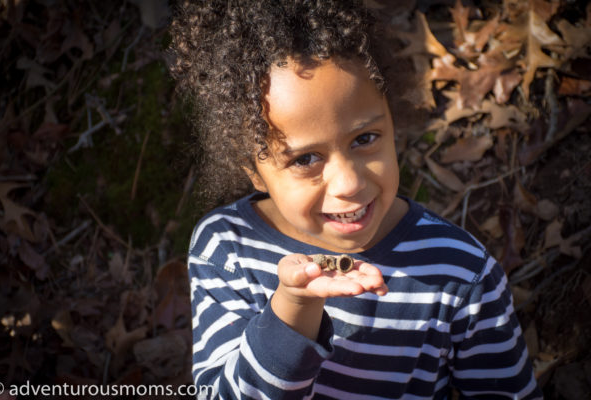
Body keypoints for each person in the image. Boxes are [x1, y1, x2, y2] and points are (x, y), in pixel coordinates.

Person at [169, 1, 542, 398]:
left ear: (392, 121)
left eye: (364, 139)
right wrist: (294, 309)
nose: (348, 182)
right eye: (305, 159)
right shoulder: (226, 248)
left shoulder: (461, 271)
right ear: (253, 170)